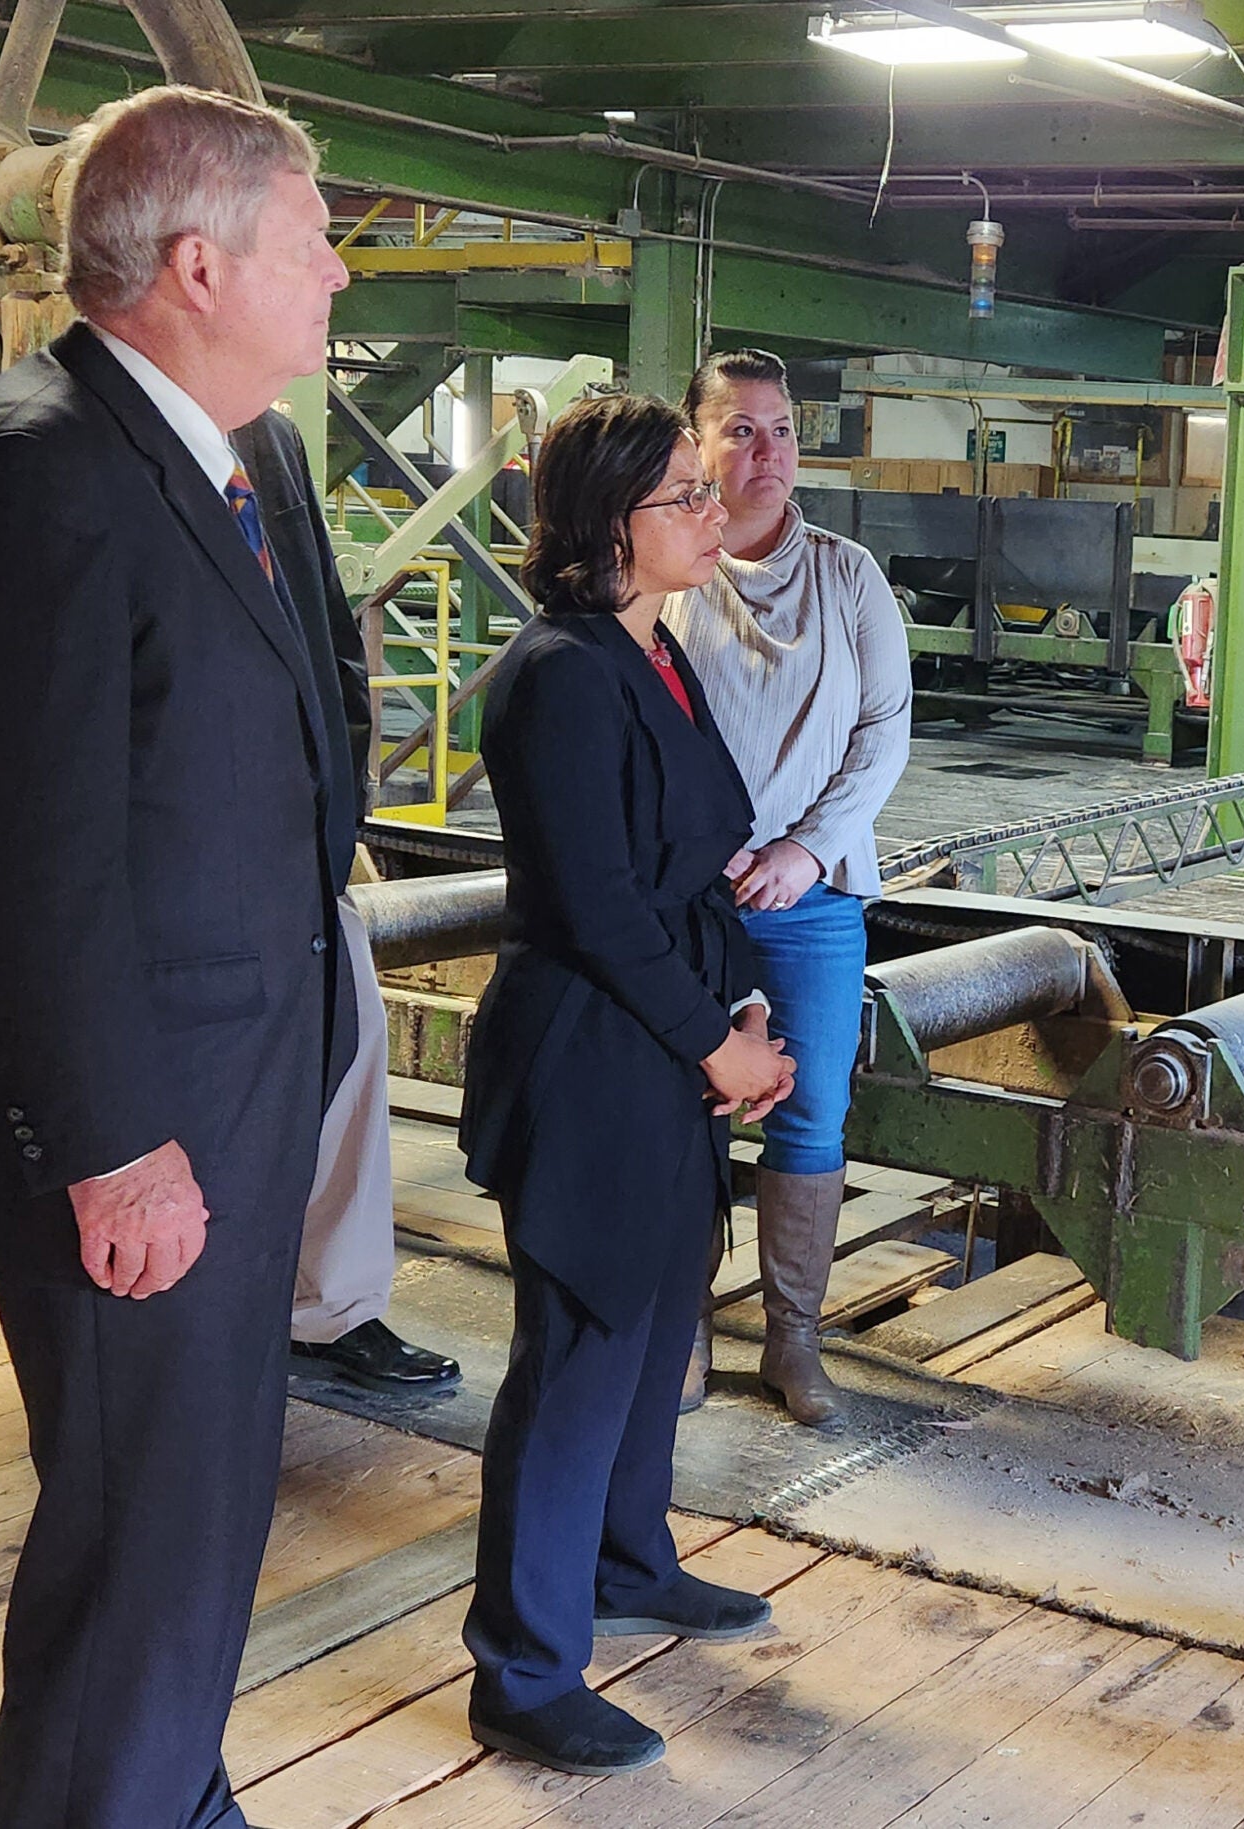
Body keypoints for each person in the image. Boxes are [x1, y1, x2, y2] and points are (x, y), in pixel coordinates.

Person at [0, 88, 355, 1829]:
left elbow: (295, 740)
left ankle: (166, 1796)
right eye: (315, 240)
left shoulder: (245, 453)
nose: (343, 273)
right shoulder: (30, 478)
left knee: (190, 1524)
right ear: (199, 264)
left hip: (236, 1088)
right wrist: (115, 1141)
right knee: (138, 1542)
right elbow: (15, 863)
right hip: (137, 1137)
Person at [458, 393, 797, 1775]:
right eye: (685, 498)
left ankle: (624, 1557)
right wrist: (717, 1042)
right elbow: (596, 904)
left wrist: (738, 999)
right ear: (609, 525)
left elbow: (689, 857)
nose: (716, 514)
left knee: (658, 1323)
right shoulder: (559, 672)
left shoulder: (656, 654)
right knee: (579, 1355)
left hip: (661, 1039)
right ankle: (524, 1670)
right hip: (590, 1049)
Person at [665, 349, 911, 1428]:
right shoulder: (671, 571)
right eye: (741, 430)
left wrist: (805, 851)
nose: (766, 452)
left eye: (781, 430)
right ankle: (677, 1332)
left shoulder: (850, 577)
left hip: (812, 896)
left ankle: (791, 1341)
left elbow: (884, 732)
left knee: (807, 1113)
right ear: (699, 445)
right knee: (685, 1108)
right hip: (693, 893)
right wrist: (706, 851)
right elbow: (647, 722)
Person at [230, 411, 462, 1394]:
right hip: (189, 850)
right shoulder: (90, 440)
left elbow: (329, 624)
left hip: (297, 837)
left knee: (347, 1046)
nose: (327, 281)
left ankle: (327, 1310)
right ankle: (218, 1316)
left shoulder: (267, 438)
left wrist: (343, 800)